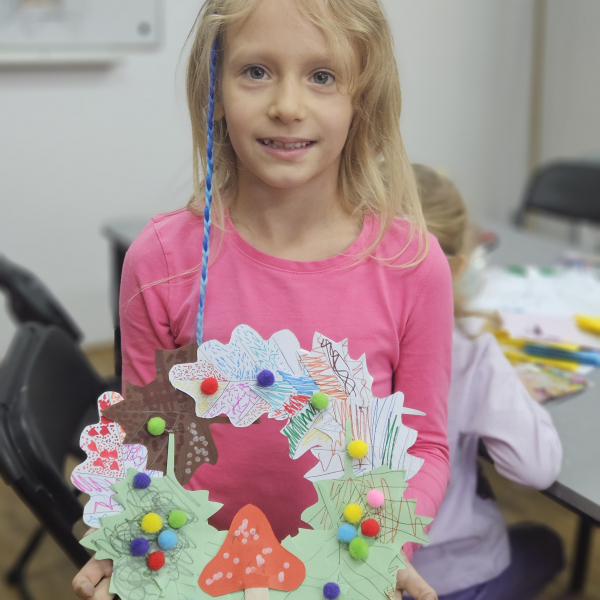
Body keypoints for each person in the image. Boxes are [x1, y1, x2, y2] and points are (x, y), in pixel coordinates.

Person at [73, 2, 454, 598]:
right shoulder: (162, 261)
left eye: (322, 76)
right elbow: (145, 437)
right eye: (256, 71)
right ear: (215, 90)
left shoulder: (412, 267)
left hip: (341, 579)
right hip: (197, 580)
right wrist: (125, 534)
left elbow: (425, 446)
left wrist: (384, 546)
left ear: (362, 97)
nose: (288, 105)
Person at [407, 164, 564, 600]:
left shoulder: (330, 345)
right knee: (546, 545)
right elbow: (536, 467)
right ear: (459, 266)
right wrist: (514, 390)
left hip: (351, 571)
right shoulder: (470, 349)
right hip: (453, 576)